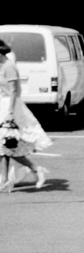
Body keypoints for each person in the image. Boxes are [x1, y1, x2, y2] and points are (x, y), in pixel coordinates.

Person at [0, 39, 51, 190]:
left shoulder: (9, 66)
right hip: (2, 104)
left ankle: (36, 169)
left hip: (11, 106)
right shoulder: (1, 65)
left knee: (10, 145)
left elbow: (14, 90)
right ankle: (4, 179)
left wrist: (9, 112)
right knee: (3, 147)